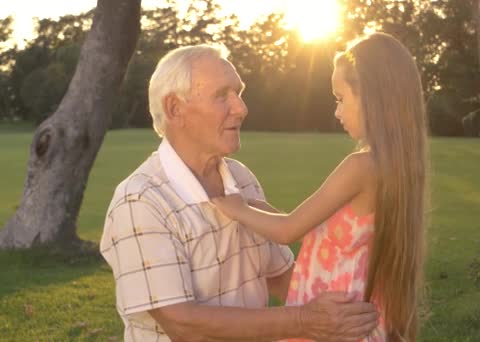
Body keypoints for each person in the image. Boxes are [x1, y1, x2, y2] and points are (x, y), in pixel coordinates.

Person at [100, 44, 378, 341]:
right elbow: (183, 324)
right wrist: (304, 320)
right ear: (175, 108)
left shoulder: (240, 178)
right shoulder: (140, 201)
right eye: (222, 96)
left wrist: (348, 311)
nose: (241, 108)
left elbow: (284, 277)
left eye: (239, 93)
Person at [212, 33, 428, 341]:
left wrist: (238, 209)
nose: (337, 112)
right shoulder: (398, 166)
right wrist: (257, 207)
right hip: (361, 317)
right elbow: (327, 234)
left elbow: (289, 230)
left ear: (371, 96)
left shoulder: (360, 166)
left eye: (341, 98)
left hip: (332, 322)